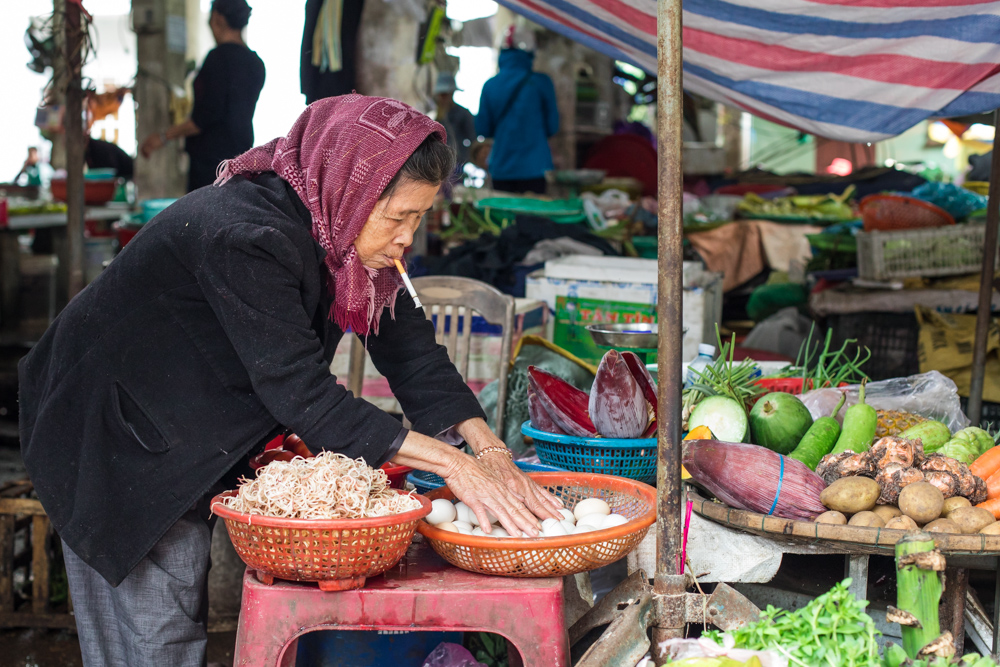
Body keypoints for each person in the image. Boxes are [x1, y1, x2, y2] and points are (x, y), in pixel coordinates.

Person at [19, 94, 562, 666]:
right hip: (113, 433)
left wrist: (489, 449)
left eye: (419, 218)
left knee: (171, 622)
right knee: (157, 633)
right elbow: (303, 394)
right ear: (350, 194)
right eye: (398, 217)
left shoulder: (347, 241)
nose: (408, 238)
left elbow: (414, 357)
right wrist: (453, 464)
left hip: (186, 417)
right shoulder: (244, 235)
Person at [140, 0, 265, 192]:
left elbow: (204, 117)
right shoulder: (256, 64)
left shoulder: (217, 59)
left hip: (211, 165)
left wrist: (163, 137)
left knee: (204, 219)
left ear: (217, 18)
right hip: (243, 160)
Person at [476, 25, 559, 194]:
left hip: (502, 168)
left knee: (504, 218)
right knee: (532, 217)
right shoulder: (541, 83)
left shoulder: (490, 86)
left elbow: (483, 129)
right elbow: (553, 127)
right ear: (531, 51)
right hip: (535, 168)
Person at [434, 72, 476, 169]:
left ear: (451, 94)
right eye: (440, 94)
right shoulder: (434, 115)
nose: (442, 98)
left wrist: (466, 156)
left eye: (445, 94)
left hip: (459, 162)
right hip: (438, 163)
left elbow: (473, 138)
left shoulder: (463, 113)